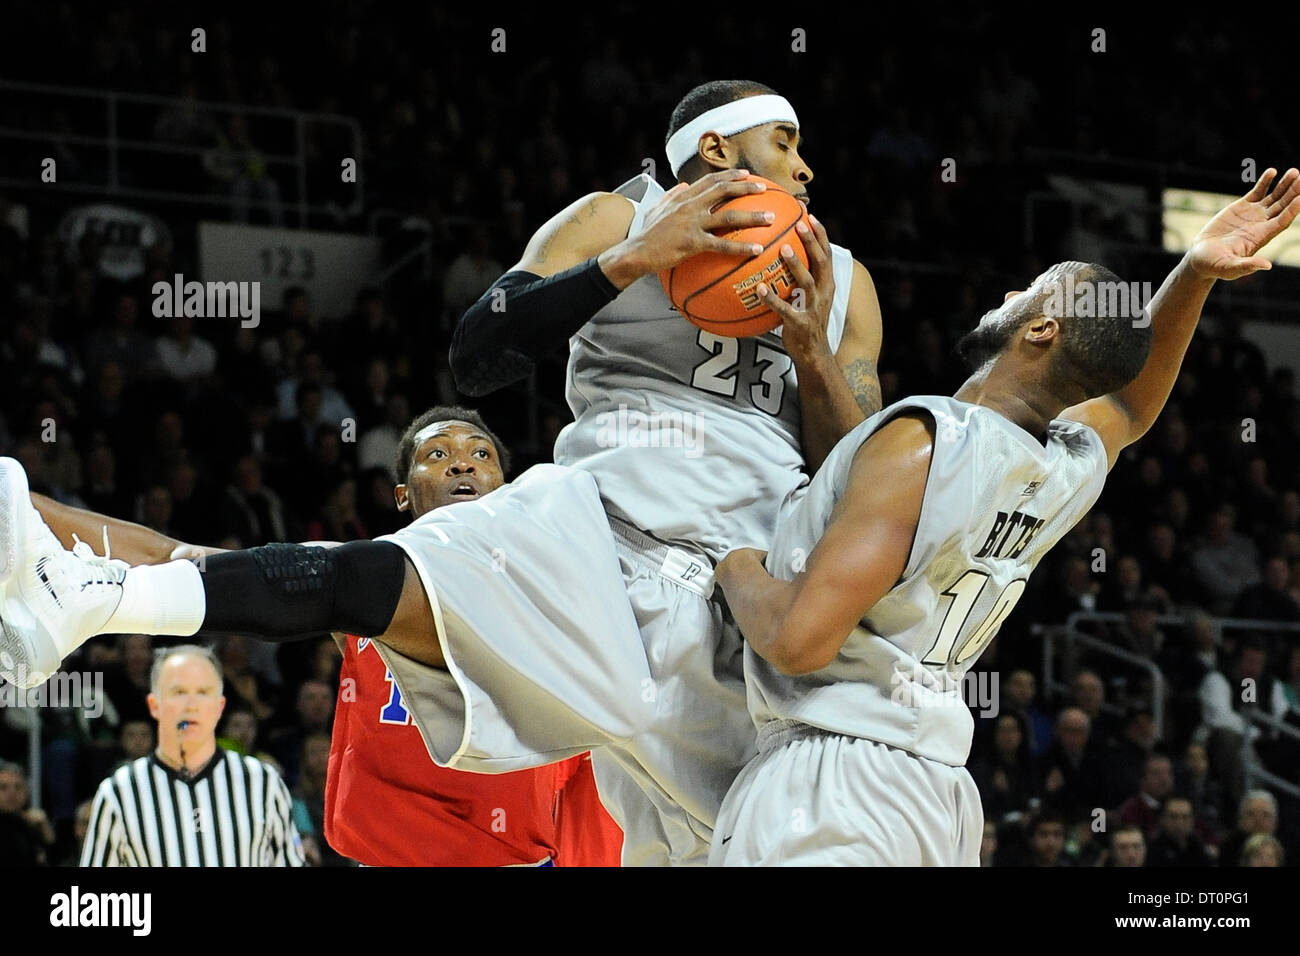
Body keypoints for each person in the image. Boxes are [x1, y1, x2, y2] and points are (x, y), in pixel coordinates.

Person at [0, 79, 885, 866]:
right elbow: (479, 352)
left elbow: (864, 484)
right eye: (788, 143)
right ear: (717, 149)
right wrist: (631, 262)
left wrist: (808, 351)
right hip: (603, 545)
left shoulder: (845, 284)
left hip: (749, 594)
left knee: (739, 838)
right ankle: (86, 594)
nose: (807, 169)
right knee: (368, 575)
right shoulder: (618, 217)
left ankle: (82, 587)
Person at [705, 169, 1299, 864]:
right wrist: (1194, 274)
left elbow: (797, 641)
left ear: (1042, 329)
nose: (1013, 292)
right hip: (934, 791)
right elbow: (1133, 406)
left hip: (834, 780)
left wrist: (734, 561)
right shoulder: (1067, 467)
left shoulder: (925, 439)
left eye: (1033, 290)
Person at [11, 406, 622, 866]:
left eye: (480, 454)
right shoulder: (350, 585)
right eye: (436, 455)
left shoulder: (557, 598)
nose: (461, 462)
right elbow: (177, 558)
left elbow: (598, 788)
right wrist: (25, 510)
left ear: (507, 490)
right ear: (403, 495)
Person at [79, 645, 305, 866]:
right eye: (179, 692)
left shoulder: (262, 781)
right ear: (154, 704)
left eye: (203, 692)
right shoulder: (119, 791)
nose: (191, 705)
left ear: (219, 706)